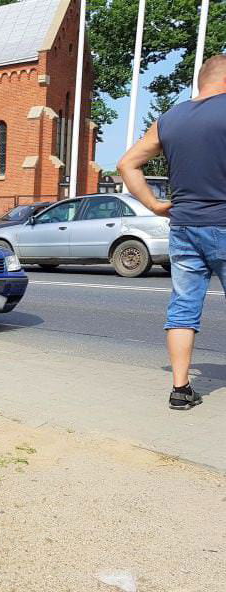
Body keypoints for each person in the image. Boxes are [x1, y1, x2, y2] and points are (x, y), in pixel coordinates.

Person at [118, 54, 226, 410]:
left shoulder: (170, 119)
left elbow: (127, 164)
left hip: (184, 228)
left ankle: (180, 389)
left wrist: (154, 204)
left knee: (183, 308)